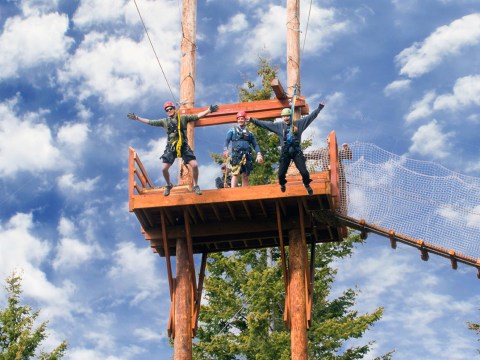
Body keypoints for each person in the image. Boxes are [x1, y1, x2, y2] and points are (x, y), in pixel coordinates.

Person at [127, 101, 218, 196]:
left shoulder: (183, 118)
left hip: (183, 146)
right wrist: (137, 118)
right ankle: (168, 185)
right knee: (164, 169)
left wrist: (209, 110)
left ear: (174, 109)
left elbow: (197, 116)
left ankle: (196, 185)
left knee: (194, 165)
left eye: (170, 109)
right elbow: (150, 122)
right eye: (167, 110)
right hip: (171, 147)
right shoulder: (164, 122)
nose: (169, 111)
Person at [247, 102, 325, 195]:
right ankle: (282, 184)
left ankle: (306, 184)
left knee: (304, 173)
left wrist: (319, 108)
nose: (286, 118)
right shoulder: (279, 126)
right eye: (284, 116)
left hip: (296, 152)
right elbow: (264, 124)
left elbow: (311, 117)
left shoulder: (299, 124)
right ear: (282, 117)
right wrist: (251, 120)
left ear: (291, 116)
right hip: (286, 153)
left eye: (288, 116)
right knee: (280, 174)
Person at [223, 111, 263, 187]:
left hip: (247, 155)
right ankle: (233, 191)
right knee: (235, 173)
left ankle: (245, 193)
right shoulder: (232, 131)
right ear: (237, 120)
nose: (241, 120)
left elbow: (255, 144)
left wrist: (259, 154)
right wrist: (225, 149)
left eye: (242, 119)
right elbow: (227, 140)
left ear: (245, 120)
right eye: (239, 119)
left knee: (245, 175)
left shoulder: (250, 133)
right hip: (236, 155)